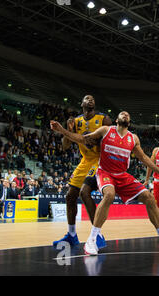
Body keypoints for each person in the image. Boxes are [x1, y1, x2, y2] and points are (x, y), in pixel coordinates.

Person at [50, 111, 159, 255]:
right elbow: (83, 138)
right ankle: (92, 240)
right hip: (105, 172)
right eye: (122, 113)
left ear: (129, 122)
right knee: (109, 194)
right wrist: (62, 130)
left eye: (128, 115)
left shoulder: (133, 138)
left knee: (149, 198)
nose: (125, 114)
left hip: (122, 176)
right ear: (116, 120)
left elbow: (144, 158)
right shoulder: (106, 130)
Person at [52, 95, 112, 249]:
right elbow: (65, 146)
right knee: (70, 196)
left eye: (92, 98)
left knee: (84, 193)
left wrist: (65, 131)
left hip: (100, 160)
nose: (90, 100)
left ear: (95, 104)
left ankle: (97, 235)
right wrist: (69, 131)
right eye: (87, 98)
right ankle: (72, 235)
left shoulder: (104, 119)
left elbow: (96, 141)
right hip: (85, 161)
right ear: (82, 104)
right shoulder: (76, 121)